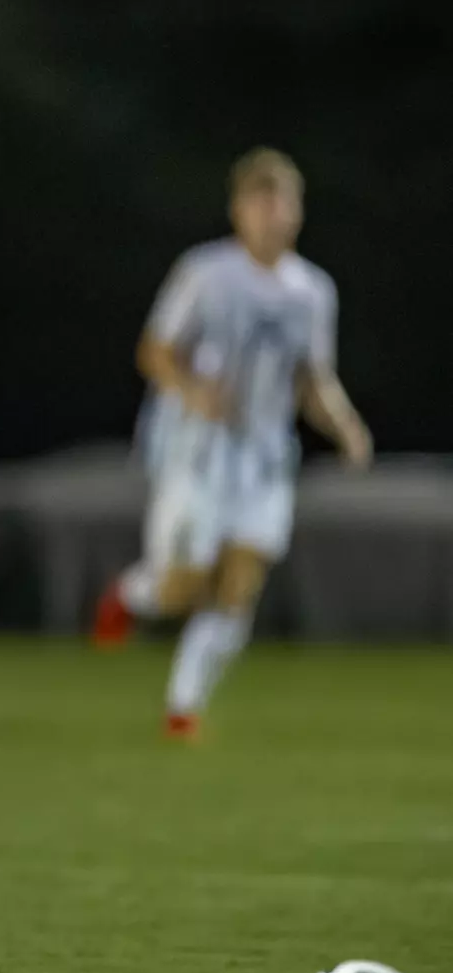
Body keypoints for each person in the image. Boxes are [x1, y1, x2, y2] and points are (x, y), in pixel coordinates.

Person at [91, 148, 372, 736]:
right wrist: (192, 391)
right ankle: (131, 593)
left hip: (264, 458)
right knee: (183, 587)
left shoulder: (312, 291)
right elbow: (155, 351)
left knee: (240, 583)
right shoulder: (206, 273)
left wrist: (345, 425)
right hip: (197, 453)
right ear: (239, 210)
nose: (275, 213)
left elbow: (312, 378)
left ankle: (182, 707)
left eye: (284, 201)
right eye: (262, 200)